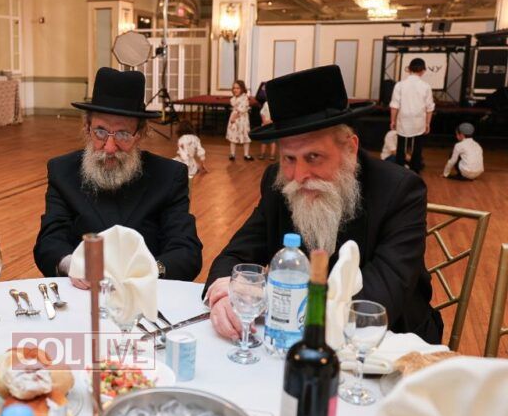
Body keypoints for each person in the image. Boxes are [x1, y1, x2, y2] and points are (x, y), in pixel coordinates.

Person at [205, 65, 443, 344]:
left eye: (313, 157)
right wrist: (225, 293)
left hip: (385, 345)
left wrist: (269, 297)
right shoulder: (278, 181)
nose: (299, 176)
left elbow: (377, 301)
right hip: (289, 341)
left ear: (350, 148)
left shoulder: (399, 190)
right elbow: (233, 257)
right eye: (289, 158)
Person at [33, 67, 202, 285]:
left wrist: (150, 270)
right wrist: (72, 264)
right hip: (83, 294)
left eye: (123, 134)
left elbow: (187, 252)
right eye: (100, 132)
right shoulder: (62, 171)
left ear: (139, 134)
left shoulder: (169, 176)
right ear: (87, 128)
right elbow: (48, 243)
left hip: (145, 294)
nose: (110, 147)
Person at [390, 58, 435, 173]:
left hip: (403, 120)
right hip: (419, 121)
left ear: (409, 69)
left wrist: (392, 121)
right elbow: (429, 107)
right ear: (423, 71)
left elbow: (394, 105)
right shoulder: (426, 86)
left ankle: (399, 173)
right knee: (417, 149)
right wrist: (428, 123)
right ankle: (415, 173)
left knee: (401, 148)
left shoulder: (400, 85)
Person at [226, 80, 253, 161]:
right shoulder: (233, 99)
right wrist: (233, 119)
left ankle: (246, 154)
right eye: (234, 88)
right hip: (235, 120)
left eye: (238, 88)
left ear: (242, 89)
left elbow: (241, 110)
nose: (235, 90)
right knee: (233, 135)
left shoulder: (244, 98)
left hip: (242, 120)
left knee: (245, 136)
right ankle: (232, 154)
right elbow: (235, 108)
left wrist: (233, 118)